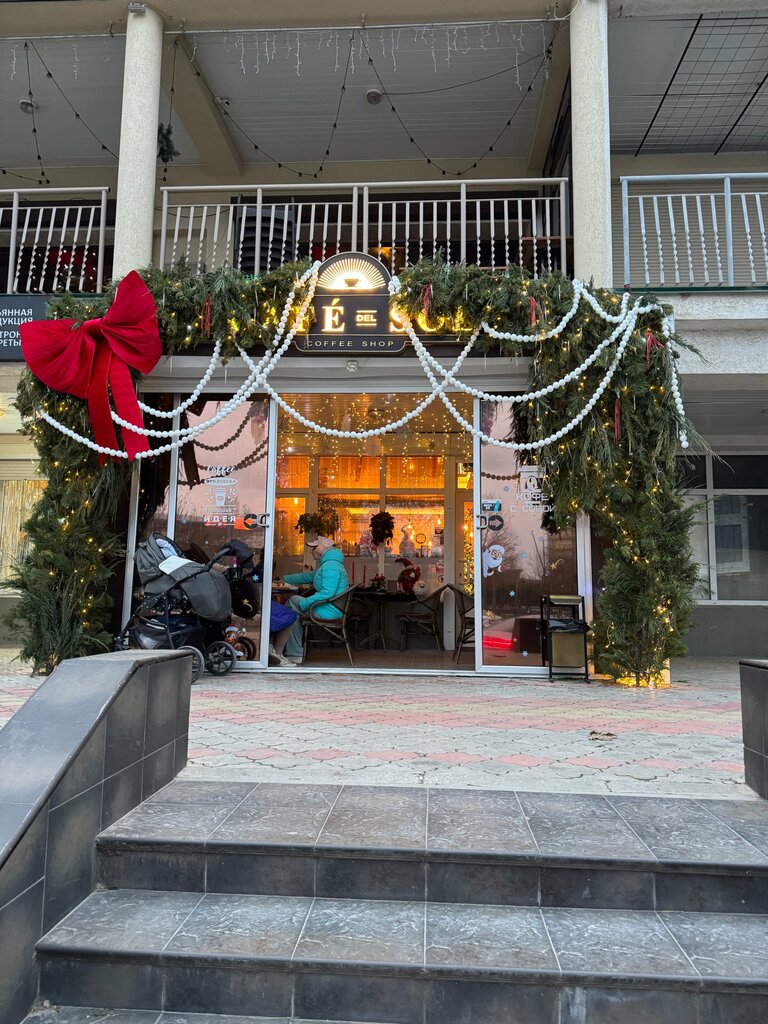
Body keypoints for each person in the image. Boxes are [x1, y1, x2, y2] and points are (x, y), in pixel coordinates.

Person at [273, 536, 349, 663]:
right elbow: (309, 577)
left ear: (321, 549)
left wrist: (305, 603)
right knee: (293, 615)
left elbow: (328, 592)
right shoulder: (330, 564)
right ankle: (292, 654)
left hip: (328, 611)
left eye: (314, 548)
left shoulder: (330, 566)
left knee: (292, 601)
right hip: (329, 607)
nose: (311, 551)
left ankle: (278, 648)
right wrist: (284, 579)